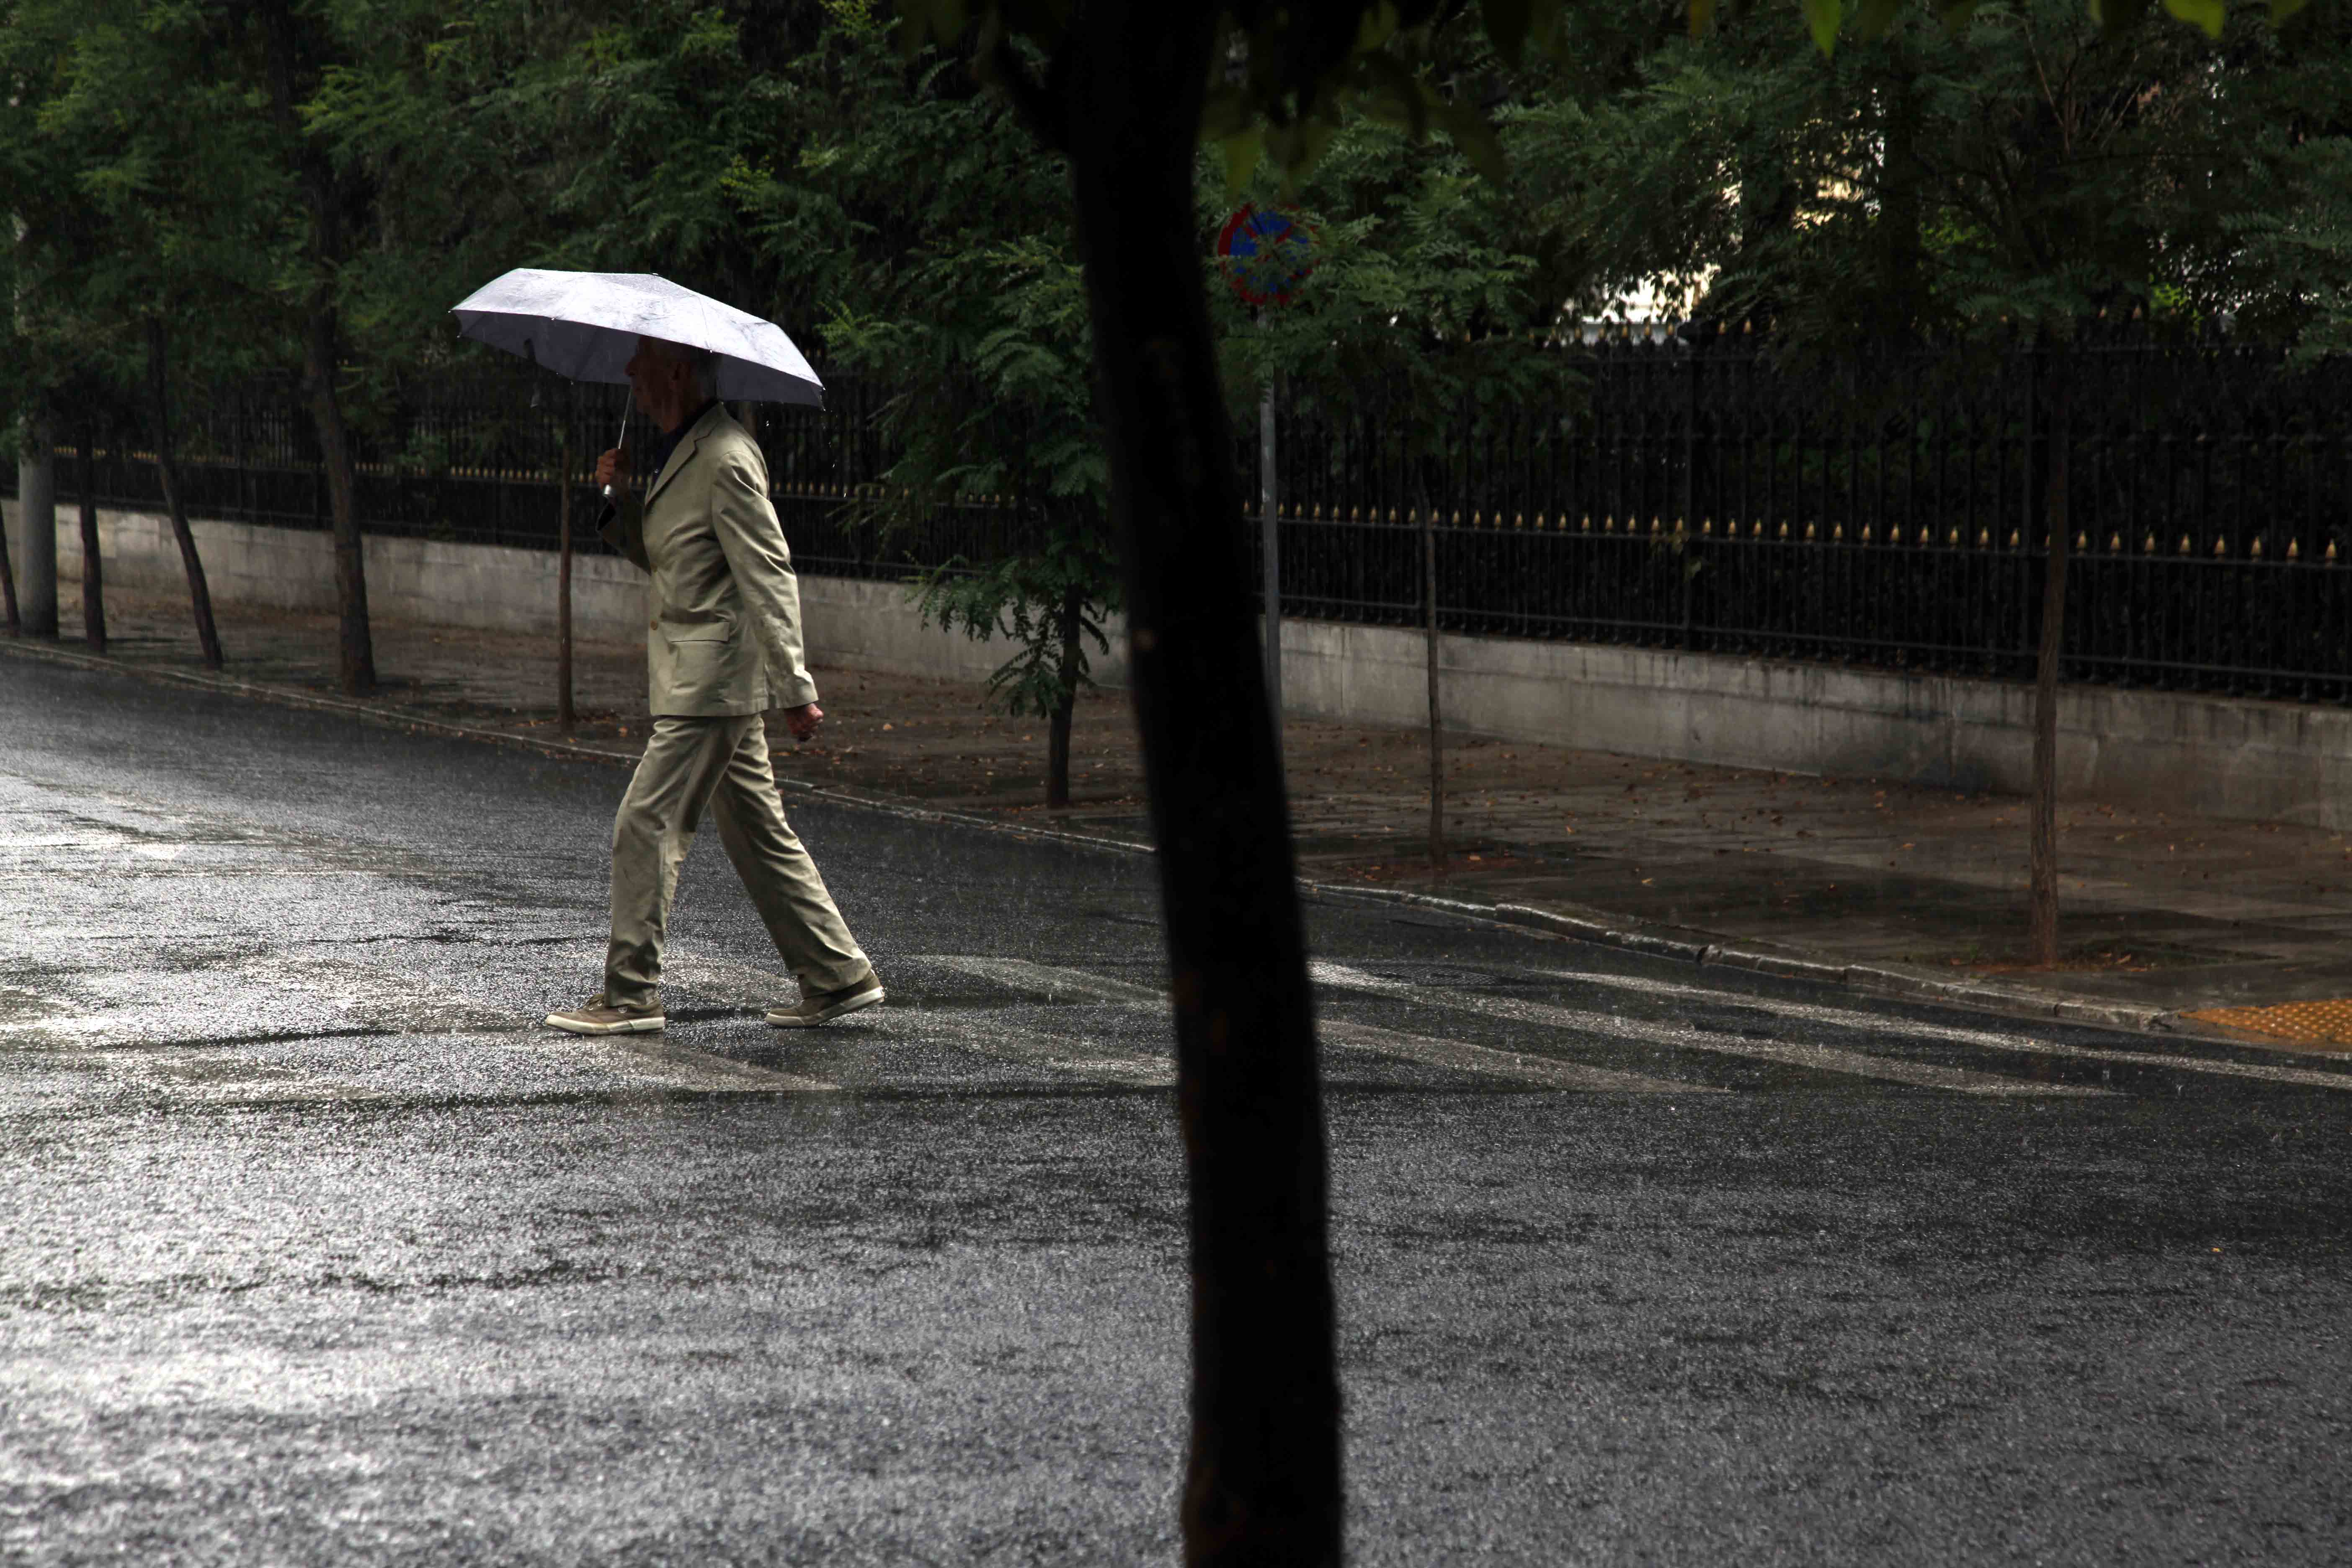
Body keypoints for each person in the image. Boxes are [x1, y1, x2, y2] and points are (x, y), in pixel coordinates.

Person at [544, 335, 883, 1035]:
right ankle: (838, 975)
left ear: (678, 370)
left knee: (646, 822)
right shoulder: (680, 451)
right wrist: (617, 499)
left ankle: (631, 994)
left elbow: (768, 573)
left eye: (642, 361)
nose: (630, 372)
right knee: (757, 832)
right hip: (701, 674)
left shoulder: (725, 456)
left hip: (712, 681)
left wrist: (796, 686)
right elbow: (670, 562)